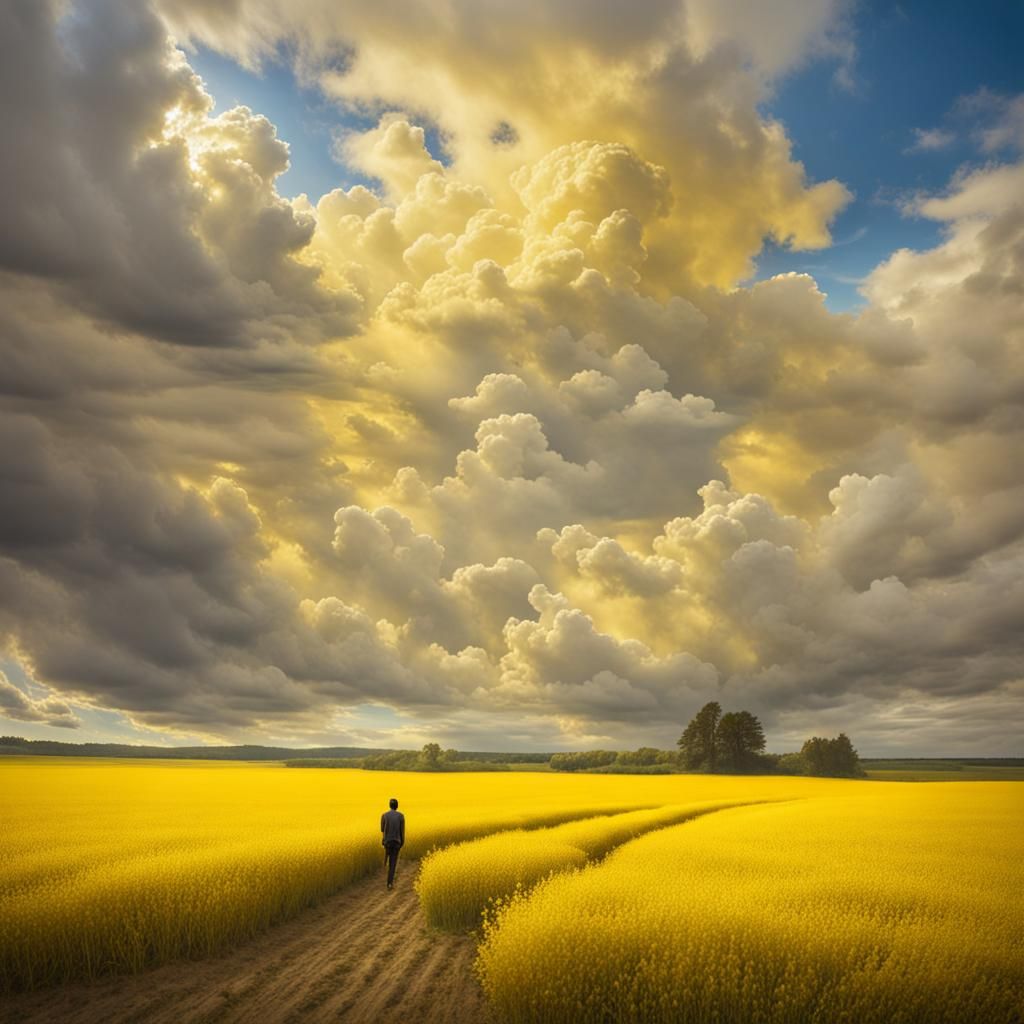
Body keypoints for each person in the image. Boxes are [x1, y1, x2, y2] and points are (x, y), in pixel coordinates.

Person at [380, 797, 405, 890]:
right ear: (397, 806)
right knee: (393, 863)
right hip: (396, 842)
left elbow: (382, 829)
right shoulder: (401, 816)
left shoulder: (384, 815)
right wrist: (402, 842)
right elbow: (402, 831)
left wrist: (384, 839)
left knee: (387, 858)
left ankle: (383, 873)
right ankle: (389, 883)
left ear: (389, 806)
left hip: (387, 841)